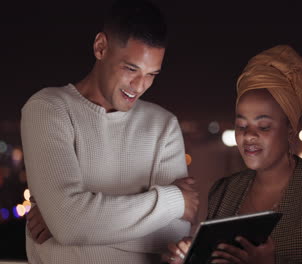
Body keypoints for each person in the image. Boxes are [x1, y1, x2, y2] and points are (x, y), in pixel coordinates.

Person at [21, 0, 199, 263]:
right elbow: (70, 224)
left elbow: (171, 236)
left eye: (152, 74)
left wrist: (72, 222)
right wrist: (172, 202)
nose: (139, 86)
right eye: (131, 69)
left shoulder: (164, 125)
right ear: (100, 47)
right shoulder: (48, 109)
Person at [165, 45, 302, 263]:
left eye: (263, 127)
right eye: (241, 125)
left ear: (289, 128)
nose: (249, 136)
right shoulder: (224, 191)